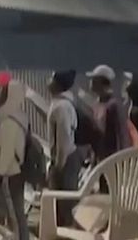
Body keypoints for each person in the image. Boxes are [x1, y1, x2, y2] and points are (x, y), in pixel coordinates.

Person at [0, 77, 29, 240]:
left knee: (15, 215)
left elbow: (6, 153)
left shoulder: (10, 122)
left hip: (9, 176)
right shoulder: (6, 118)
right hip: (9, 175)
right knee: (15, 215)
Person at [47, 70, 82, 226]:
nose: (48, 81)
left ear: (57, 84)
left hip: (65, 159)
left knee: (64, 204)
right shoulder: (61, 103)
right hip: (66, 157)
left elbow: (63, 138)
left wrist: (58, 165)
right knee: (62, 204)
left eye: (52, 78)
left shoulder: (61, 107)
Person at [86, 64, 132, 164]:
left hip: (111, 159)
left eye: (94, 80)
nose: (91, 82)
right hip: (99, 158)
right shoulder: (96, 105)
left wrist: (123, 159)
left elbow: (122, 134)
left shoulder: (113, 105)